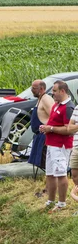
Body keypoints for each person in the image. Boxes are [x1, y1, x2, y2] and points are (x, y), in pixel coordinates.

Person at [39, 81, 75, 210]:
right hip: (51, 143)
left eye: (54, 91)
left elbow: (69, 130)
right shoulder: (56, 105)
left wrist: (51, 129)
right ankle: (51, 200)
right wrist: (46, 128)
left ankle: (62, 203)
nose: (52, 93)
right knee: (50, 173)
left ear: (62, 91)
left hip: (61, 145)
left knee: (60, 173)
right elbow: (52, 124)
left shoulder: (68, 108)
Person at [28, 80, 54, 173]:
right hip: (39, 135)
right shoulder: (40, 98)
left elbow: (53, 117)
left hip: (44, 136)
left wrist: (48, 128)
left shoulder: (46, 99)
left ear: (42, 89)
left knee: (46, 164)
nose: (32, 90)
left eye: (34, 88)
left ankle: (49, 184)